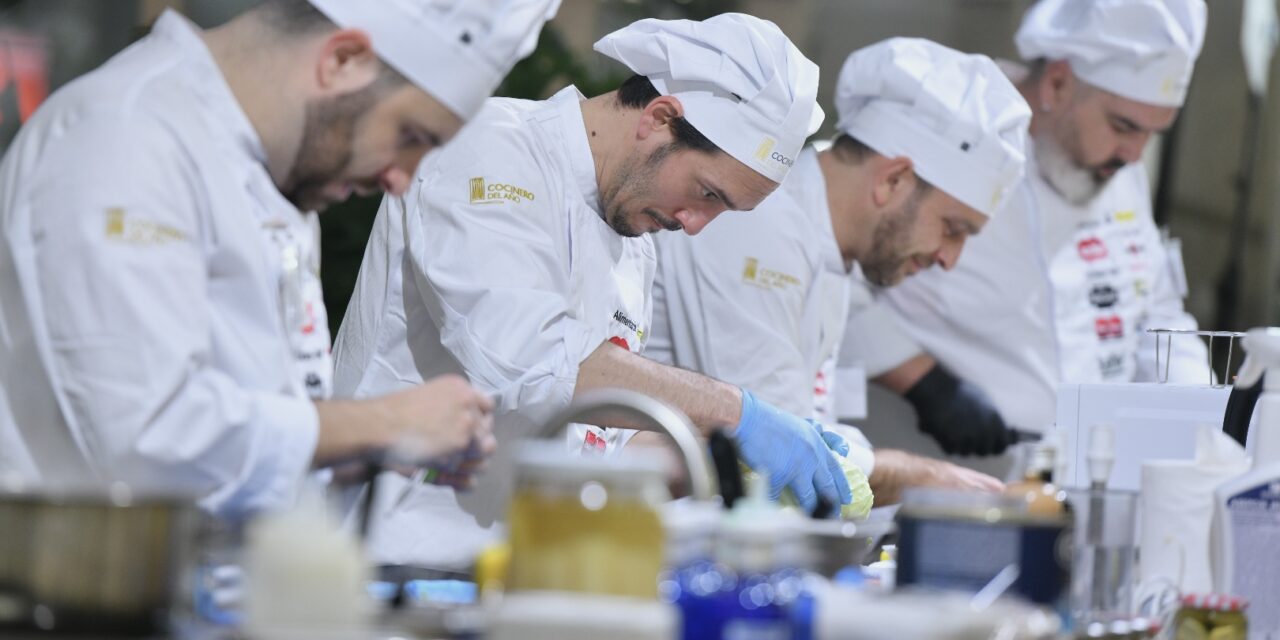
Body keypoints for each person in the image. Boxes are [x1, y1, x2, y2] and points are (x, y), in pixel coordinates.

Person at [0, 0, 558, 515]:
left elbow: (256, 418)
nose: (401, 180)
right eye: (408, 135)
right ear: (342, 60)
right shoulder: (125, 136)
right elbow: (145, 439)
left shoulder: (277, 181)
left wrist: (370, 449)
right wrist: (380, 421)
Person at [333, 13, 836, 568]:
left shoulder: (633, 235)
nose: (695, 225)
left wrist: (724, 457)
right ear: (660, 116)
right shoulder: (489, 149)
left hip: (515, 563)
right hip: (385, 556)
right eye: (707, 193)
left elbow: (594, 431)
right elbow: (531, 362)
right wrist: (733, 411)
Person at [645, 38, 1031, 505]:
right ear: (892, 180)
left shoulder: (827, 243)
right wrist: (924, 477)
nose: (950, 259)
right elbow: (782, 454)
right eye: (952, 229)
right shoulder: (759, 223)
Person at [849, 0, 1210, 456]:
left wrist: (1201, 418)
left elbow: (1156, 311)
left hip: (1085, 472)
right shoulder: (950, 127)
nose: (1134, 154)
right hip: (938, 464)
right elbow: (834, 273)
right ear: (1058, 84)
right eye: (1123, 126)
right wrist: (922, 381)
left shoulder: (1120, 172)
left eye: (1151, 135)